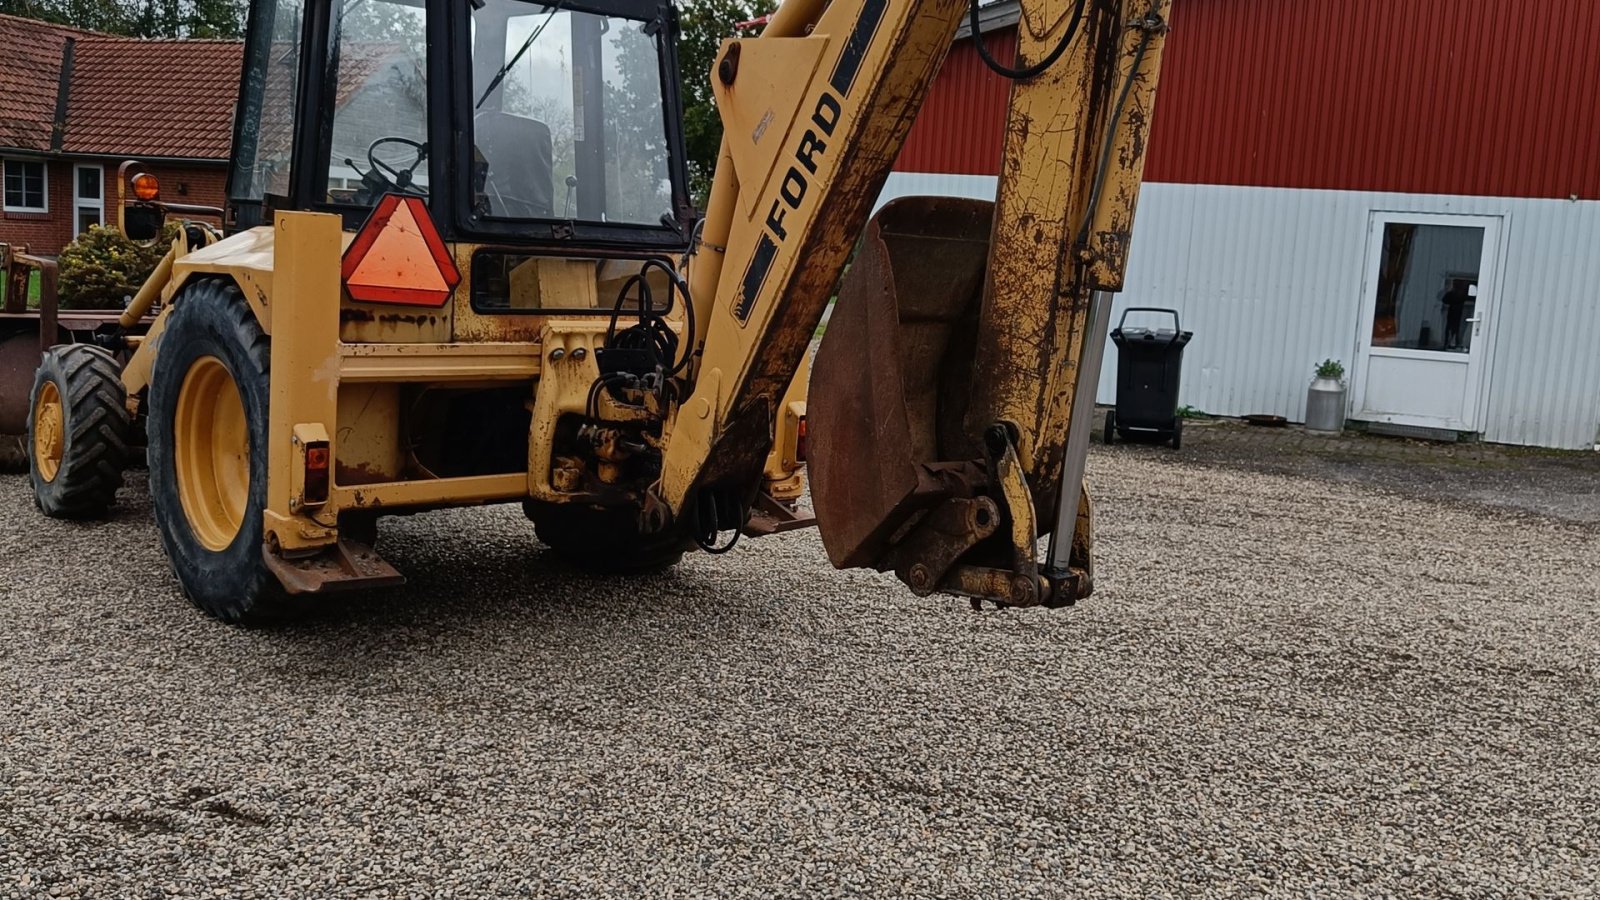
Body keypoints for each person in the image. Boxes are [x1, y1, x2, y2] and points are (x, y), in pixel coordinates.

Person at [1440, 279, 1473, 349]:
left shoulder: (1464, 294)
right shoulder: (1451, 294)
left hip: (1461, 316)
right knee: (1449, 330)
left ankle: (1458, 344)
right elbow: (1443, 300)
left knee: (1460, 331)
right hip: (1451, 315)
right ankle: (1446, 344)